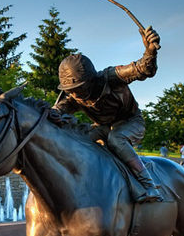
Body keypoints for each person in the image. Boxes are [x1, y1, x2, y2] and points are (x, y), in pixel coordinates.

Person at [53, 26, 162, 203]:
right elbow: (59, 109)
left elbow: (143, 69)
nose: (74, 94)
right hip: (104, 127)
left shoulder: (111, 77)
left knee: (116, 139)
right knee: (79, 139)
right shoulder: (74, 96)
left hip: (130, 122)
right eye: (70, 90)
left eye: (78, 88)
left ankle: (148, 184)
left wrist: (150, 51)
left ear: (90, 80)